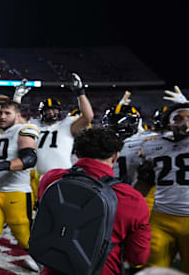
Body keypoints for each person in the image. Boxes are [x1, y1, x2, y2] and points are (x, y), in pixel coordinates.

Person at [38, 127, 151, 274]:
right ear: (115, 156)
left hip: (53, 268)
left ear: (77, 153)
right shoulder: (131, 198)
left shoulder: (51, 178)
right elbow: (137, 258)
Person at [0, 101, 40, 275]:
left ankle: (46, 266)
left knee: (24, 237)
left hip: (17, 192)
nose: (2, 117)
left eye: (7, 113)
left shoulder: (23, 130)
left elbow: (29, 159)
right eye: (0, 113)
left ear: (17, 115)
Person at [16, 73, 94, 199]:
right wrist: (17, 97)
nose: (51, 112)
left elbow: (88, 117)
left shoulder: (67, 124)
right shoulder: (35, 124)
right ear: (41, 113)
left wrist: (80, 92)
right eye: (47, 110)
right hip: (37, 177)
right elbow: (16, 120)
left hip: (62, 176)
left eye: (53, 109)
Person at [135, 102, 189, 272]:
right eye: (178, 119)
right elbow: (145, 182)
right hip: (161, 219)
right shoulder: (152, 145)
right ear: (169, 123)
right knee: (153, 269)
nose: (184, 123)